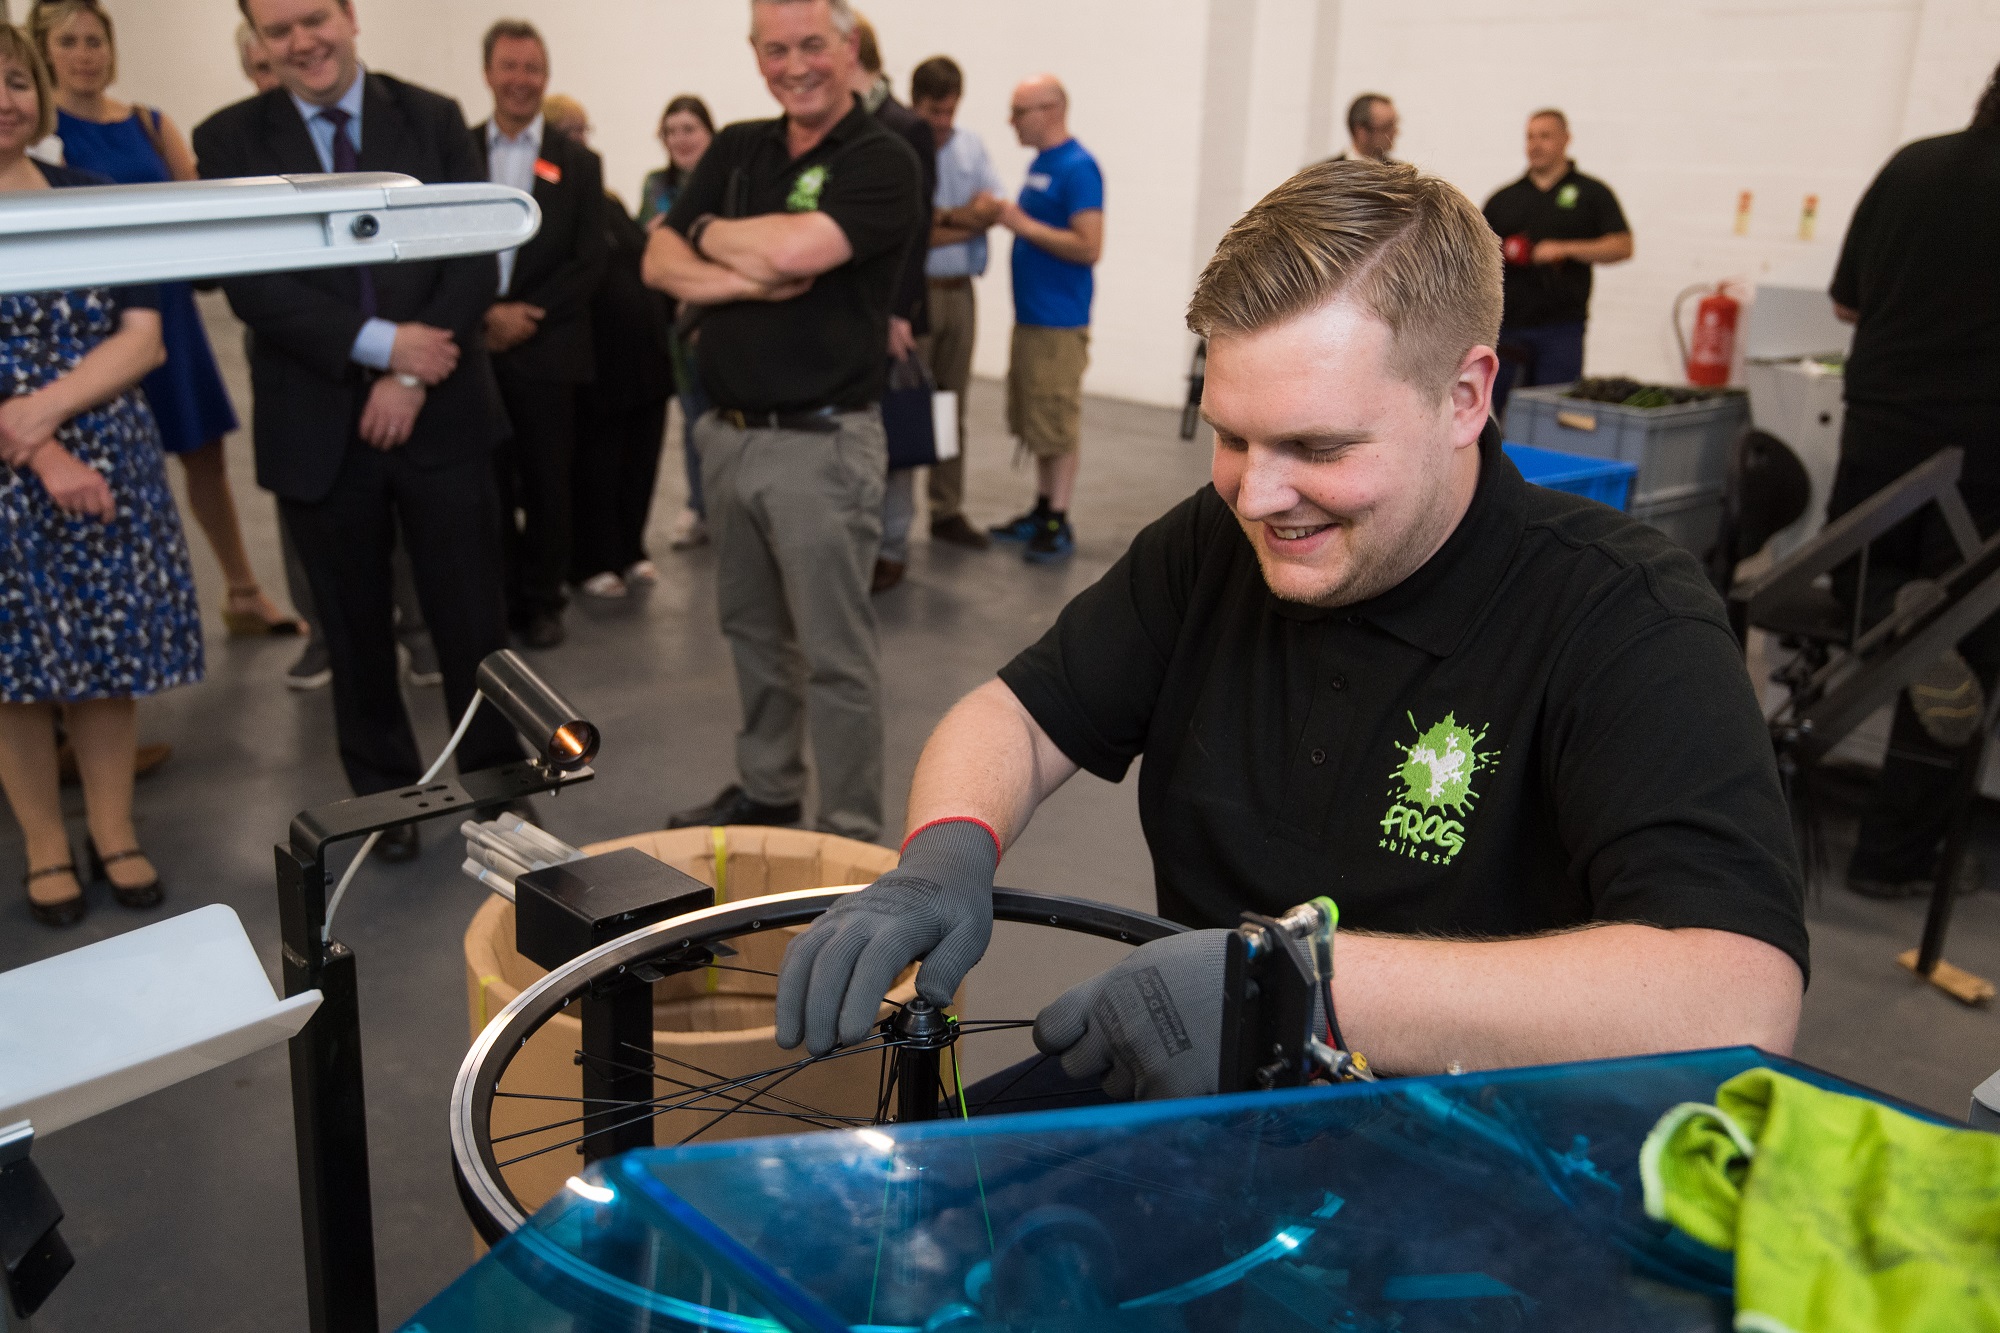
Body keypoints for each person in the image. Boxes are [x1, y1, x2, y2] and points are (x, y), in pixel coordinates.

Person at [772, 159, 1807, 1109]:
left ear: (1464, 396)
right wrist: (946, 844)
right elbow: (1022, 714)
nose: (1257, 495)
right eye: (1229, 436)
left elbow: (1735, 997)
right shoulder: (1215, 546)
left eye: (1314, 445)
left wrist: (1305, 988)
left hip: (1470, 1160)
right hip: (1204, 1099)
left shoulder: (1620, 618)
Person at [197, 0, 522, 862]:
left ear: (349, 16)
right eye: (278, 30)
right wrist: (380, 346)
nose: (302, 42)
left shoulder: (433, 118)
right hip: (318, 427)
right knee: (355, 631)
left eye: (315, 18)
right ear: (257, 41)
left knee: (471, 623)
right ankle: (388, 803)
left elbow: (477, 250)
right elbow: (254, 288)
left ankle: (500, 793)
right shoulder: (228, 139)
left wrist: (412, 372)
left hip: (442, 408)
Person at [647, 0, 924, 842]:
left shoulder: (884, 157)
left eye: (813, 45)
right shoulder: (736, 146)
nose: (794, 64)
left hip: (822, 444)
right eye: (776, 49)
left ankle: (846, 830)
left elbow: (796, 254)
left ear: (848, 50)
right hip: (725, 436)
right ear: (755, 55)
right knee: (753, 634)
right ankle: (768, 787)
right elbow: (659, 256)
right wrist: (743, 274)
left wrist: (711, 235)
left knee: (835, 653)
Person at [0, 23, 201, 927]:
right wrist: (38, 448)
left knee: (104, 660)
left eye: (14, 79)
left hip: (107, 457)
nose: (5, 98)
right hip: (17, 469)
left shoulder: (93, 191)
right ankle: (46, 841)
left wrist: (40, 416)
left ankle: (114, 831)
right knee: (15, 670)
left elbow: (144, 334)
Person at [35, 0, 299, 639]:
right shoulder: (39, 134)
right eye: (68, 42)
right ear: (45, 52)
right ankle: (115, 625)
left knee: (203, 452)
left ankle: (243, 589)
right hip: (91, 324)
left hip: (168, 310)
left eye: (94, 40)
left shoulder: (151, 122)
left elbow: (195, 204)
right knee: (109, 466)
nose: (84, 54)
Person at [1824, 62, 2000, 900]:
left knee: (1869, 581)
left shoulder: (1910, 165)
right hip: (1986, 447)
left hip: (1882, 427)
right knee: (1962, 636)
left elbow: (1848, 305)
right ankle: (1893, 856)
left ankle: (1887, 604)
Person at [472, 19, 606, 650]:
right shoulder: (459, 153)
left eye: (531, 68)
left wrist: (525, 316)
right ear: (488, 73)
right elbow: (441, 253)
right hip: (473, 348)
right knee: (486, 483)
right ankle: (497, 598)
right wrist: (483, 317)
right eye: (509, 66)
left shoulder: (578, 163)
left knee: (549, 482)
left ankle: (543, 600)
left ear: (545, 77)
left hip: (547, 349)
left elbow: (588, 261)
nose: (519, 80)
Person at [548, 93, 677, 601]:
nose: (581, 141)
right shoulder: (554, 207)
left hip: (644, 360)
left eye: (584, 130)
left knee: (640, 460)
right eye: (569, 132)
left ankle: (631, 548)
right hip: (599, 362)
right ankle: (592, 559)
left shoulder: (611, 202)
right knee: (598, 465)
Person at [984, 75, 1103, 564]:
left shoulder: (1079, 168)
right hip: (1032, 316)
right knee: (1036, 417)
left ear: (1050, 110)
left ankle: (1058, 519)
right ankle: (1041, 507)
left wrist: (1022, 224)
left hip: (1058, 320)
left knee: (1056, 418)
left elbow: (1089, 246)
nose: (1011, 121)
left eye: (1019, 111)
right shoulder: (1042, 164)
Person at [849, 14, 936, 594]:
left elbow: (917, 227)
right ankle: (860, 539)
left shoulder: (906, 125)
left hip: (892, 311)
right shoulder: (840, 123)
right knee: (856, 429)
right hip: (848, 309)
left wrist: (897, 312)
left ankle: (892, 544)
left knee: (897, 429)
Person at [1481, 109, 1633, 419]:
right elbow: (1474, 254)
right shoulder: (1504, 198)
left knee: (1554, 415)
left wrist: (1564, 248)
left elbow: (1622, 246)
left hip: (1561, 329)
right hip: (1508, 329)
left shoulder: (1591, 194)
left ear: (1566, 140)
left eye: (1545, 136)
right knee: (1504, 417)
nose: (1535, 144)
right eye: (1530, 136)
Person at [912, 55, 1003, 553]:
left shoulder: (971, 146)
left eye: (950, 111)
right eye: (934, 111)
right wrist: (961, 218)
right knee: (907, 403)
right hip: (917, 295)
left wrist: (942, 221)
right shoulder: (903, 146)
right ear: (915, 103)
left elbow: (994, 211)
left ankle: (946, 509)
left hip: (960, 294)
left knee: (951, 404)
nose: (943, 122)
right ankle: (892, 520)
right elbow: (910, 234)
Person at [637, 94, 715, 554]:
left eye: (690, 128)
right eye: (672, 130)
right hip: (672, 324)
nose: (681, 138)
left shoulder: (726, 180)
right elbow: (642, 242)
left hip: (719, 319)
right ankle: (698, 504)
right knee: (690, 417)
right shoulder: (654, 186)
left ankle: (728, 506)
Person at [1337, 92, 1397, 163]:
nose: (1395, 132)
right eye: (1386, 127)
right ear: (1361, 131)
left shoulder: (1400, 173)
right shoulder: (1329, 172)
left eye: (1394, 125)